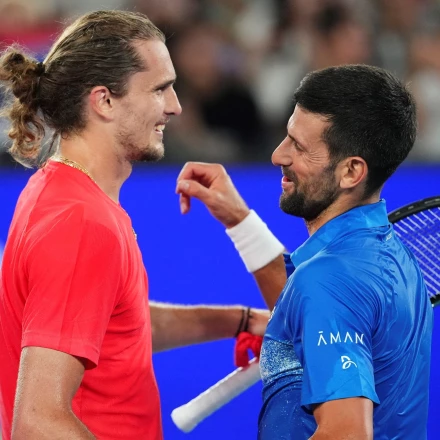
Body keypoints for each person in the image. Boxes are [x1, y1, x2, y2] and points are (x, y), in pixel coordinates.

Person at [0, 10, 269, 440]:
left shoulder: (61, 192)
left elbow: (115, 326)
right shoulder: (82, 223)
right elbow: (39, 423)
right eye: (160, 89)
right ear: (104, 101)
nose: (176, 106)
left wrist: (239, 320)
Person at [176, 64, 434, 439]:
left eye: (298, 146)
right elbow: (305, 298)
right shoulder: (389, 256)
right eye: (287, 136)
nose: (278, 155)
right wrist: (238, 219)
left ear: (350, 172)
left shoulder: (328, 281)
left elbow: (345, 435)